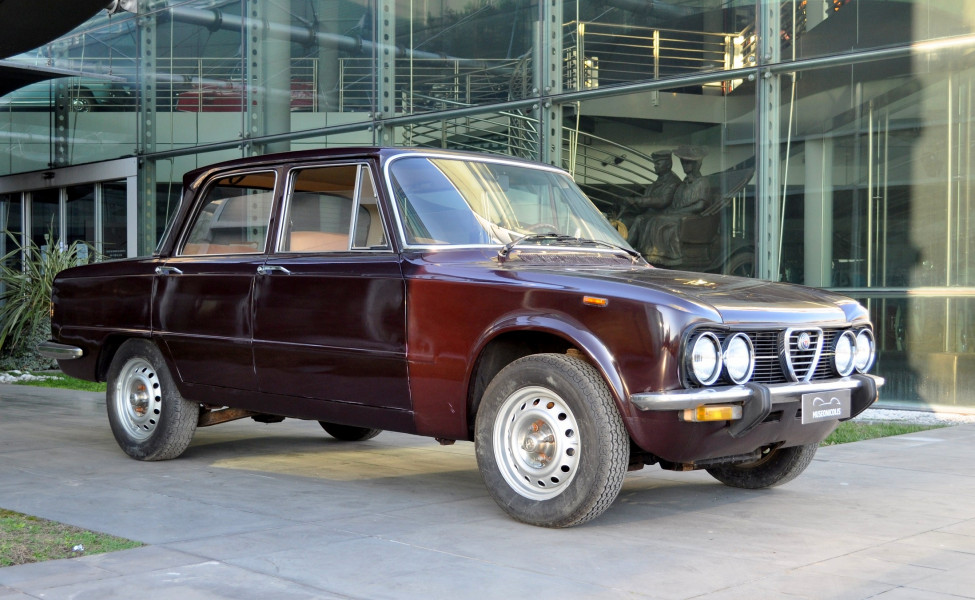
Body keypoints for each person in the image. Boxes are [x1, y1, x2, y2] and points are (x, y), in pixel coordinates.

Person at [646, 144, 711, 265]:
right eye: (683, 162)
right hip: (680, 215)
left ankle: (669, 255)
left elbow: (700, 206)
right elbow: (676, 203)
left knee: (660, 220)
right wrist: (672, 211)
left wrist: (677, 212)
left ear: (696, 164)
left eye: (688, 162)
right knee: (653, 219)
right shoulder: (683, 183)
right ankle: (652, 253)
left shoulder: (702, 182)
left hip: (692, 218)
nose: (684, 165)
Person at [624, 150, 681, 253]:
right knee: (624, 220)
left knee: (639, 219)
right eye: (655, 163)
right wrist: (632, 204)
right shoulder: (656, 182)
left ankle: (626, 251)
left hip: (662, 215)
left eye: (658, 163)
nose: (655, 166)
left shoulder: (673, 182)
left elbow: (663, 201)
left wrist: (639, 200)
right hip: (649, 214)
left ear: (668, 165)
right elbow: (646, 200)